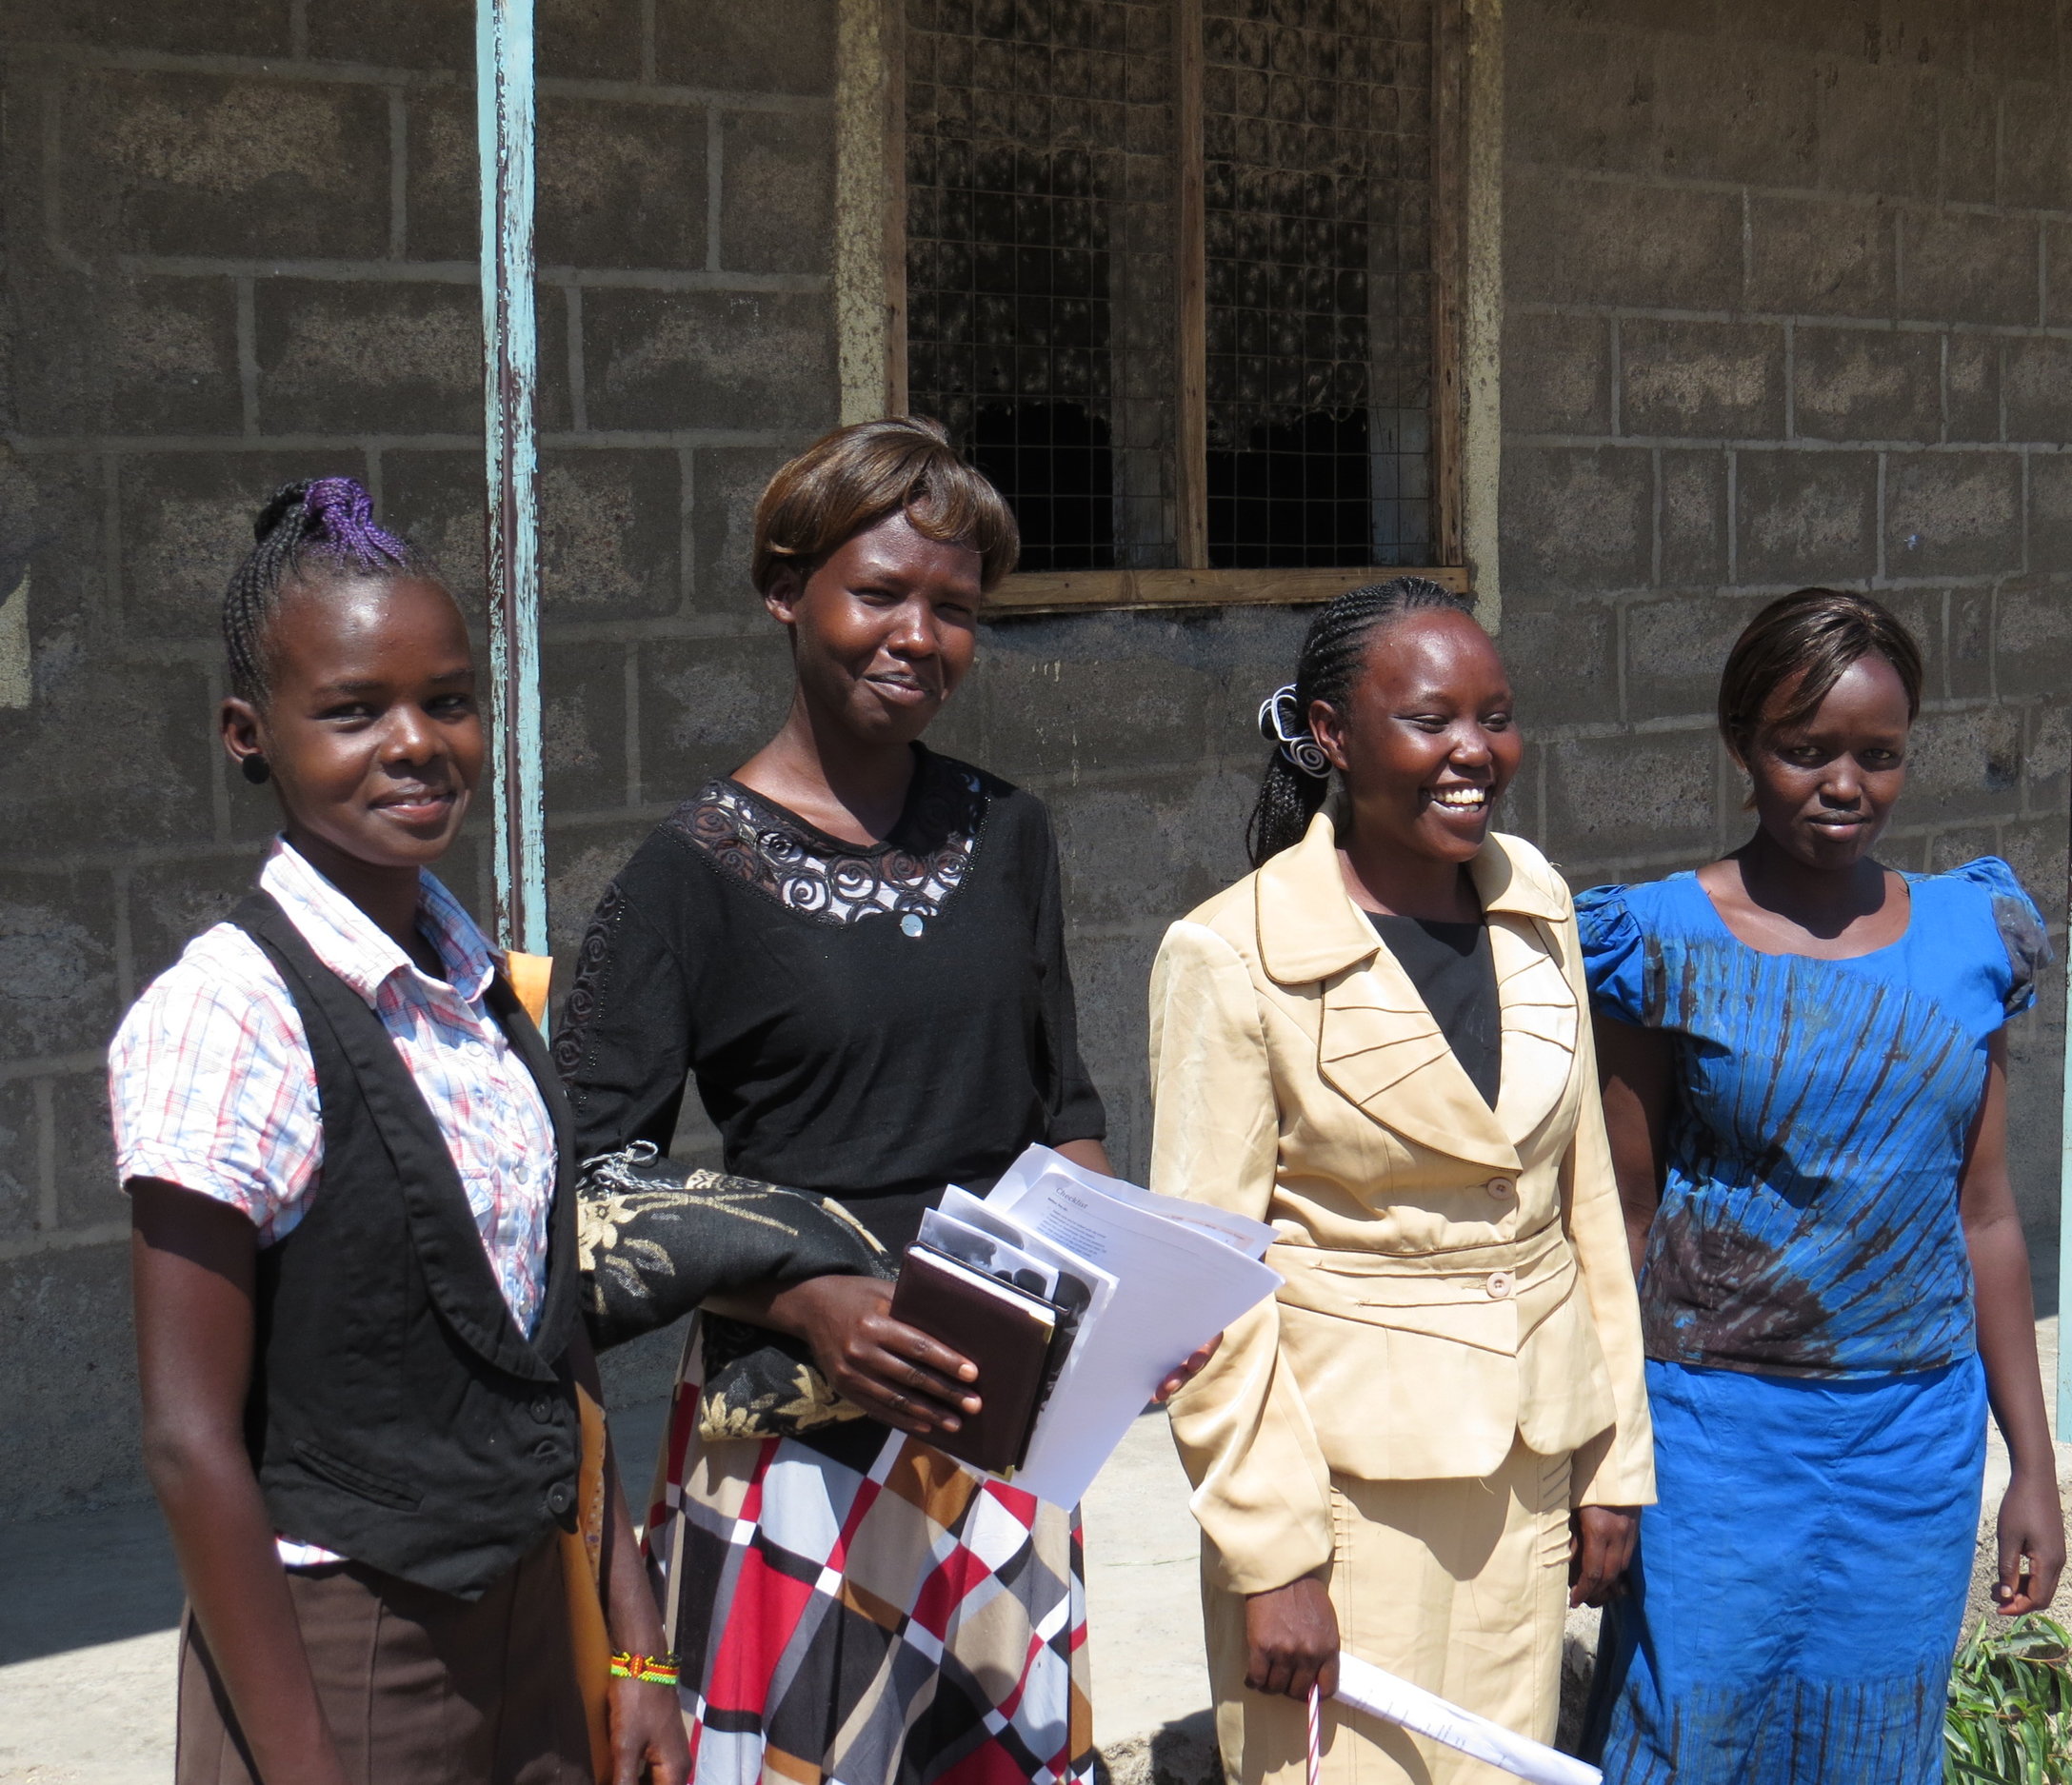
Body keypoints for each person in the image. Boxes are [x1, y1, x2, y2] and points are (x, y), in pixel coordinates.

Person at [554, 417, 1205, 1785]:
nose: (919, 633)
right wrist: (803, 1297)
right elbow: (591, 1184)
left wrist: (1126, 1303)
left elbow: (1059, 1107)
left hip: (997, 1426)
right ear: (786, 591)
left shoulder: (1008, 833)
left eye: (956, 608)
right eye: (881, 593)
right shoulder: (689, 874)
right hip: (792, 1440)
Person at [112, 479, 687, 1785]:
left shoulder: (478, 989)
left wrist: (633, 1638)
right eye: (355, 709)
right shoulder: (231, 1011)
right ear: (249, 733)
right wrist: (307, 1759)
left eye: (448, 697)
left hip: (534, 1622)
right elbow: (189, 1437)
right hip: (342, 1649)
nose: (417, 740)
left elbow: (550, 1339)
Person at [1146, 577, 1654, 1785]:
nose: (1473, 752)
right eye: (1432, 720)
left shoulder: (1538, 909)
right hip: (1346, 1499)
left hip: (1526, 1471)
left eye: (1497, 716)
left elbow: (1583, 1204)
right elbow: (1206, 1293)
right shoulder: (1232, 953)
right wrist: (1272, 1555)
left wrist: (1611, 1465)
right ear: (1331, 736)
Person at [1574, 588, 2063, 1784]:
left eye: (1878, 756)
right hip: (1712, 1436)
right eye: (1805, 751)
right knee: (1689, 1727)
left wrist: (2032, 1467)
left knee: (1874, 1741)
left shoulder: (1969, 936)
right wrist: (1600, 1460)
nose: (1843, 784)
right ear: (1743, 744)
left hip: (1913, 1437)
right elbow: (1620, 1227)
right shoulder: (1660, 945)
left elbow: (1984, 1213)